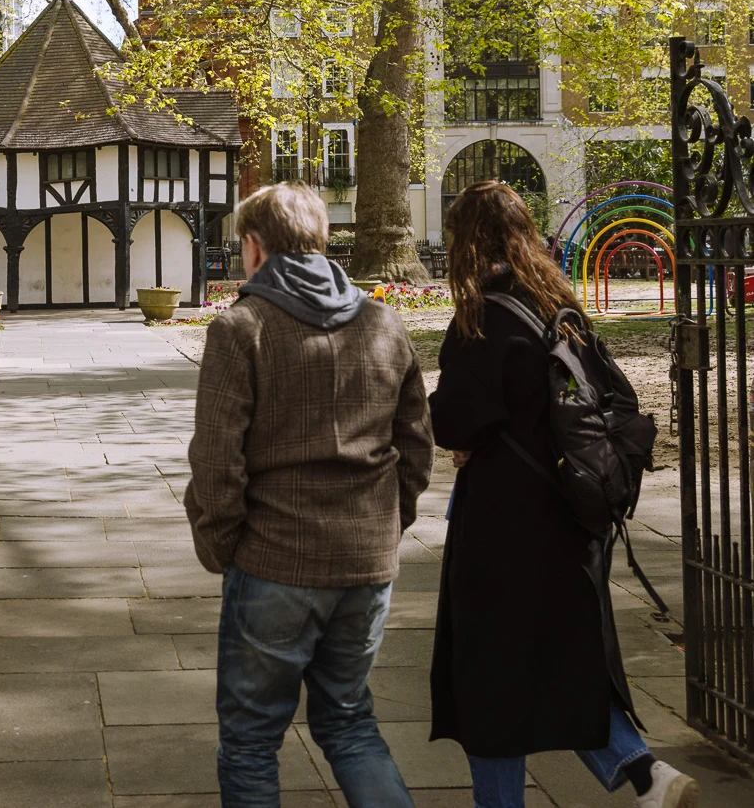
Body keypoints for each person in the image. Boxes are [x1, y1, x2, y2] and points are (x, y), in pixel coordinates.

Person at [428, 181, 699, 808]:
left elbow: (454, 422)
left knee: (491, 680)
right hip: (571, 513)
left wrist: (467, 435)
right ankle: (646, 776)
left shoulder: (483, 315)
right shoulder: (559, 305)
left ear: (465, 241)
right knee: (561, 660)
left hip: (504, 523)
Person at [185, 182, 433, 808]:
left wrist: (224, 548)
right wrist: (384, 527)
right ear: (320, 242)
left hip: (274, 560)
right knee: (350, 724)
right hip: (364, 564)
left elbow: (217, 463)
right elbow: (417, 446)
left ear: (253, 247)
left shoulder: (242, 328)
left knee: (248, 741)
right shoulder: (383, 323)